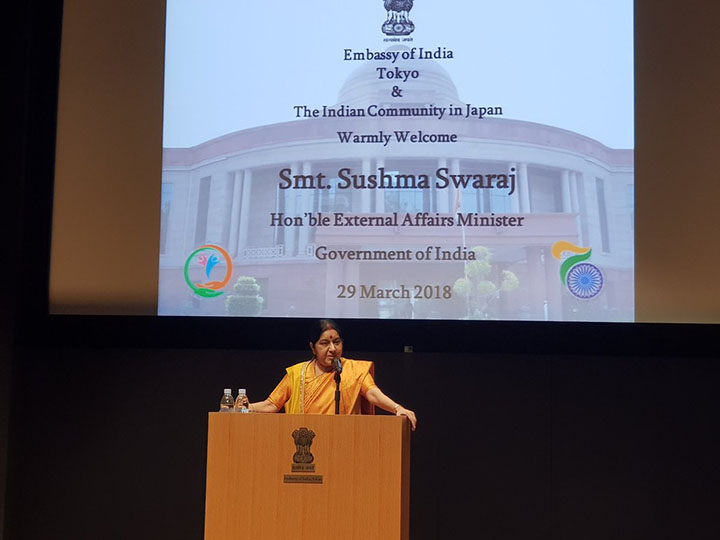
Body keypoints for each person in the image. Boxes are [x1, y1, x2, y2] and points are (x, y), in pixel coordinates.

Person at [246, 319, 417, 430]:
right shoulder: (297, 373)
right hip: (305, 444)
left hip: (345, 443)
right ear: (313, 347)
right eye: (325, 343)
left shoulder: (353, 369)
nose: (332, 349)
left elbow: (373, 393)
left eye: (336, 342)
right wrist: (247, 407)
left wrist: (397, 408)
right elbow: (271, 405)